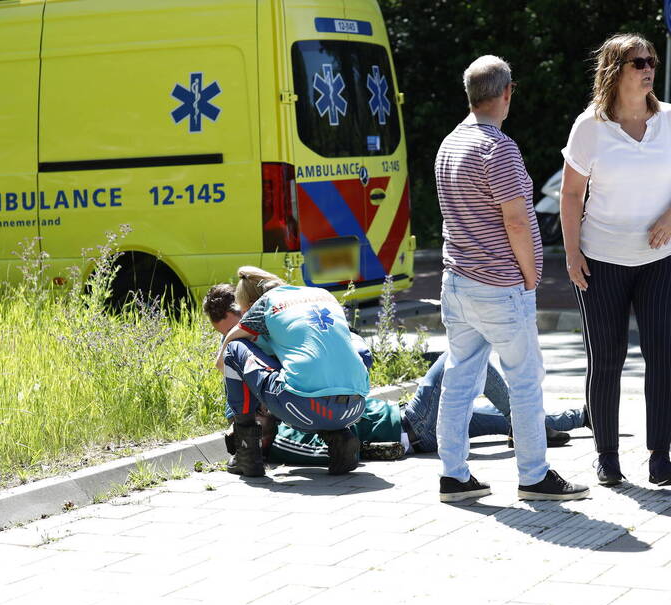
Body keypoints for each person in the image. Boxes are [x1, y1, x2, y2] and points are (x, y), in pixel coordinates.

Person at [203, 284, 588, 465]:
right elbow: (308, 448)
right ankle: (535, 430)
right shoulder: (287, 421)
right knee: (466, 359)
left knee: (487, 423)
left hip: (407, 421)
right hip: (409, 426)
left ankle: (576, 418)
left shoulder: (280, 371)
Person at [433, 55, 589, 503]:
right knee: (524, 380)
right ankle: (534, 475)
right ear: (506, 93)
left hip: (457, 282)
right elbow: (517, 221)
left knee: (460, 379)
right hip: (499, 285)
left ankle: (454, 475)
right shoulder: (496, 147)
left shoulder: (449, 144)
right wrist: (530, 275)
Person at [560, 34, 671, 486]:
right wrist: (570, 253)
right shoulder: (590, 126)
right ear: (615, 70)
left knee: (664, 356)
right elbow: (570, 194)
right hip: (601, 260)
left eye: (651, 61)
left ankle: (660, 456)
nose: (648, 68)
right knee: (607, 359)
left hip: (662, 259)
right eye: (638, 62)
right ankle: (607, 457)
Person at [213, 267, 371, 478]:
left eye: (243, 311)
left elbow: (226, 352)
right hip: (356, 406)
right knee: (340, 350)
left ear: (249, 306)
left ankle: (247, 453)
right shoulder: (321, 294)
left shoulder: (266, 303)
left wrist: (238, 381)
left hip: (302, 408)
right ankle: (340, 436)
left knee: (234, 350)